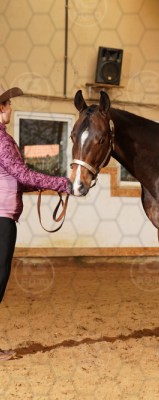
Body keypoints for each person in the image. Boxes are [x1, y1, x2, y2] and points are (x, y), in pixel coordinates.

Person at [0, 84, 72, 361]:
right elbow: (22, 174)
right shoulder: (2, 140)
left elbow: (17, 180)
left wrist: (47, 186)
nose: (11, 108)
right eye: (8, 104)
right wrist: (61, 183)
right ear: (1, 108)